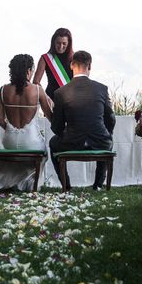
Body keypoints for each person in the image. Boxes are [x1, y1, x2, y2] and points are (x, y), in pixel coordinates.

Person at [49, 50, 116, 190]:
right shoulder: (102, 89)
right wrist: (106, 133)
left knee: (53, 142)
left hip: (71, 142)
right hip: (99, 140)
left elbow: (56, 126)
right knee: (108, 141)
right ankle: (98, 185)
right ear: (89, 66)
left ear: (71, 65)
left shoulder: (61, 92)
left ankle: (66, 185)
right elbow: (110, 118)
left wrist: (65, 134)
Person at [0, 54, 53, 191]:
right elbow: (50, 116)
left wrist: (11, 129)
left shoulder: (3, 90)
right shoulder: (37, 90)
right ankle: (30, 182)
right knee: (44, 152)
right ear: (29, 71)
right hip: (31, 142)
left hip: (9, 141)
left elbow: (0, 120)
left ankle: (16, 181)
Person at [33, 28, 74, 100]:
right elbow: (36, 82)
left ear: (69, 43)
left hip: (70, 100)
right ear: (53, 42)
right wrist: (45, 98)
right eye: (58, 43)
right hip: (51, 99)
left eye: (64, 43)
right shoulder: (45, 58)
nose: (61, 46)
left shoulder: (75, 58)